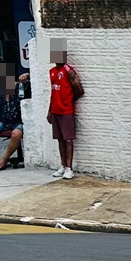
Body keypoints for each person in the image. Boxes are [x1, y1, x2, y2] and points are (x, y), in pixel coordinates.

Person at [46, 43, 83, 180]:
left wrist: (68, 101)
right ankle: (62, 165)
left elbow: (79, 90)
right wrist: (50, 110)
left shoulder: (69, 71)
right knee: (59, 139)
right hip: (55, 110)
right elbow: (53, 92)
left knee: (68, 139)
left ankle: (69, 168)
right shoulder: (52, 71)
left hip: (66, 110)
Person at [0, 67, 26, 172]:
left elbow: (32, 81)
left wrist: (27, 75)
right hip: (5, 122)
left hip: (19, 122)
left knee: (16, 133)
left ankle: (3, 161)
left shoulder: (19, 89)